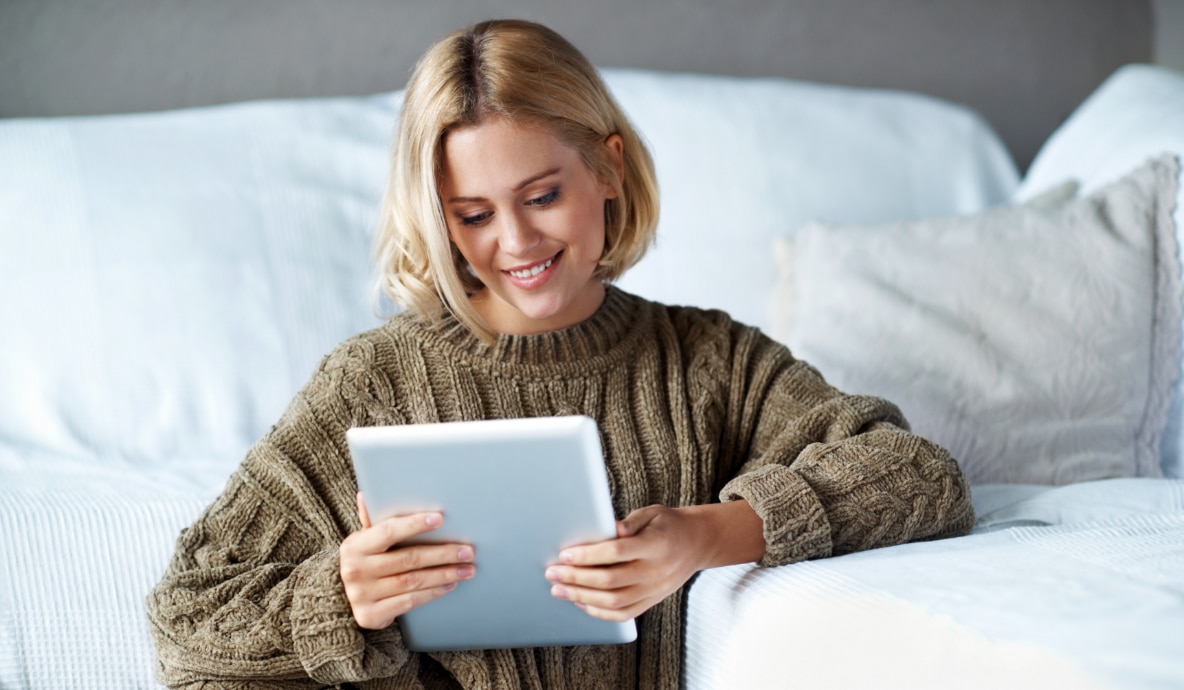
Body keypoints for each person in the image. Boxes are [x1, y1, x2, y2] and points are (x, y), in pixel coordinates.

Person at [146, 18, 975, 690]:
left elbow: (920, 477)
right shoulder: (373, 382)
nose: (515, 243)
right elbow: (187, 618)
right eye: (470, 215)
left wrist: (710, 534)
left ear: (608, 168)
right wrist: (341, 598)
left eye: (543, 196)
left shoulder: (707, 360)